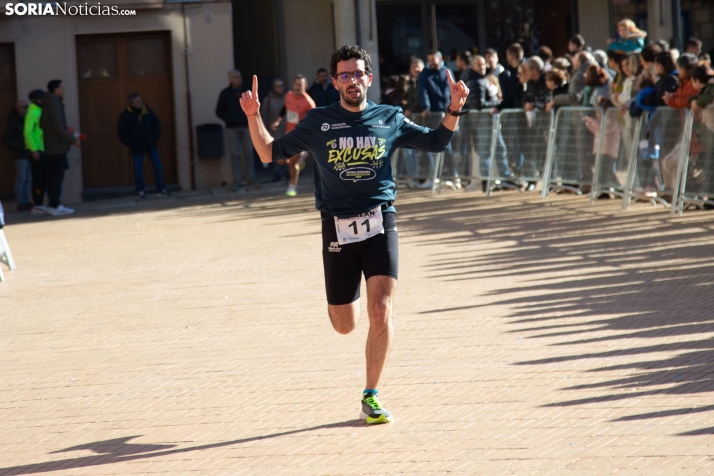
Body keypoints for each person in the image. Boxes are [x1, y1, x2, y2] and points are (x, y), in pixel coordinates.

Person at [238, 44, 469, 424]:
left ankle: (371, 395)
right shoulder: (317, 121)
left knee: (381, 309)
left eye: (357, 74)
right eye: (343, 75)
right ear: (334, 81)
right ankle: (350, 298)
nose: (351, 81)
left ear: (368, 78)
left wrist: (454, 107)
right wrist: (254, 115)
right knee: (345, 324)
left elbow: (436, 142)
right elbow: (268, 152)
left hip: (381, 219)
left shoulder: (388, 117)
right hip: (337, 227)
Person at [270, 75, 316, 196]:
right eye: (296, 84)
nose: (297, 87)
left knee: (292, 164)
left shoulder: (309, 103)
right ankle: (301, 157)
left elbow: (314, 122)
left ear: (305, 87)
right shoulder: (288, 96)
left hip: (301, 138)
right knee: (280, 161)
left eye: (300, 85)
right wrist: (278, 120)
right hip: (288, 134)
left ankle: (292, 187)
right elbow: (285, 108)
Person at [216, 70, 261, 192]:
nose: (239, 79)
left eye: (240, 77)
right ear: (230, 80)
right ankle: (237, 181)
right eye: (236, 77)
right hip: (232, 128)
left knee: (249, 153)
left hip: (247, 126)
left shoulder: (247, 92)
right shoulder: (225, 93)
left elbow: (256, 105)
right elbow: (219, 111)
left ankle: (251, 178)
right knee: (235, 155)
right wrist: (229, 119)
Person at [117, 93, 169, 198]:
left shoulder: (148, 111)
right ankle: (140, 190)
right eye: (137, 101)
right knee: (138, 170)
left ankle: (161, 188)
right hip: (136, 146)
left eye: (140, 100)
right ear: (131, 103)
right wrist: (129, 142)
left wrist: (156, 137)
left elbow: (156, 124)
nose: (140, 102)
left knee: (158, 166)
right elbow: (121, 132)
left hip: (150, 144)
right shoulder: (125, 116)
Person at [39, 79, 77, 216]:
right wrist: (73, 140)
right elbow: (57, 126)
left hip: (51, 147)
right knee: (56, 178)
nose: (63, 90)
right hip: (56, 147)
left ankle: (53, 204)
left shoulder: (46, 104)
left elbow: (44, 125)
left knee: (53, 178)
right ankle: (55, 205)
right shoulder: (54, 104)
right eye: (61, 87)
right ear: (56, 89)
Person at [3, 101, 32, 211]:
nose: (25, 109)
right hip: (19, 155)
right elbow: (7, 138)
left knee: (28, 178)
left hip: (28, 153)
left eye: (26, 107)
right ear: (18, 108)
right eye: (23, 107)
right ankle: (21, 202)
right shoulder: (13, 122)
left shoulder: (26, 120)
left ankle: (26, 201)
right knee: (21, 178)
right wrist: (20, 146)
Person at [260, 78, 287, 182]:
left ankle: (288, 172)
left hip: (286, 129)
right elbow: (264, 115)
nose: (281, 88)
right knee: (276, 152)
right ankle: (277, 173)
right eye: (278, 86)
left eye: (282, 86)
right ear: (273, 88)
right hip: (273, 131)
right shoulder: (269, 99)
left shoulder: (287, 97)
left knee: (288, 150)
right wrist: (265, 130)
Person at [24, 90, 46, 214]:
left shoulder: (38, 111)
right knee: (38, 178)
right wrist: (34, 150)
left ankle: (40, 202)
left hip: (41, 149)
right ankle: (37, 203)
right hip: (37, 151)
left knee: (43, 178)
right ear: (37, 100)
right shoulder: (33, 113)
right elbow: (28, 132)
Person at [418, 50, 452, 116]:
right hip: (433, 112)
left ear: (440, 59)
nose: (431, 63)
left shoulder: (447, 72)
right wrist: (426, 107)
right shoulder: (424, 74)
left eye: (433, 60)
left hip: (448, 110)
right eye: (429, 61)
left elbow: (452, 89)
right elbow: (423, 92)